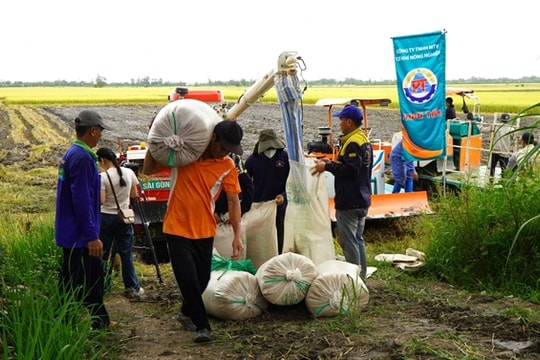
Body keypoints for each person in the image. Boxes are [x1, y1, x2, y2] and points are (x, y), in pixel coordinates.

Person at [142, 119, 244, 343]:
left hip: (205, 230)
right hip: (176, 227)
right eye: (224, 147)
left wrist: (238, 235)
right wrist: (155, 139)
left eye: (230, 150)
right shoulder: (184, 155)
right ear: (213, 138)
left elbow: (234, 201)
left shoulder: (226, 166)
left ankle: (186, 312)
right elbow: (148, 170)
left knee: (202, 279)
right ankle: (202, 326)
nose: (225, 153)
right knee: (187, 279)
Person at [55, 110, 113, 330]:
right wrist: (91, 236)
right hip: (80, 236)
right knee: (87, 279)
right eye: (100, 131)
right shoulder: (83, 158)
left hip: (70, 232)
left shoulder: (71, 153)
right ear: (93, 130)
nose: (100, 136)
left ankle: (87, 321)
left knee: (74, 279)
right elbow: (82, 200)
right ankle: (87, 323)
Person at [311, 104, 373, 281]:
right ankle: (361, 276)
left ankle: (354, 280)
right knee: (357, 239)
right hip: (362, 198)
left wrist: (327, 166)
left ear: (349, 122)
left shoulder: (353, 143)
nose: (339, 124)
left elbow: (351, 171)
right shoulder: (363, 139)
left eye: (341, 120)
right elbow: (353, 167)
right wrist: (330, 162)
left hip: (350, 199)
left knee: (348, 241)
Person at [96, 147, 144, 299]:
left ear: (103, 160)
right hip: (124, 217)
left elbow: (101, 200)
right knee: (126, 254)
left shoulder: (102, 177)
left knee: (103, 253)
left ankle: (102, 286)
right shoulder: (129, 173)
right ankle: (132, 287)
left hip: (106, 218)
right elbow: (134, 194)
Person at [245, 129, 290, 254]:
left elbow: (291, 182)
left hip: (279, 206)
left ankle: (279, 256)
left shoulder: (284, 157)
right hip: (259, 206)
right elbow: (246, 185)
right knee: (260, 236)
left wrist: (283, 195)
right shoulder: (252, 160)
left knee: (279, 232)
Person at [214, 152, 253, 222]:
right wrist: (212, 211)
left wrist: (241, 211)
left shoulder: (234, 158)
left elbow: (248, 187)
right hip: (213, 209)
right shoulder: (205, 159)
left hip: (233, 206)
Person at [479, 113, 514, 178]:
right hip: (505, 152)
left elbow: (483, 130)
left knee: (492, 168)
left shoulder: (495, 126)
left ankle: (490, 182)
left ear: (500, 120)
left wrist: (477, 123)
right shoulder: (511, 129)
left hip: (495, 150)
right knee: (504, 169)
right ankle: (503, 184)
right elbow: (514, 140)